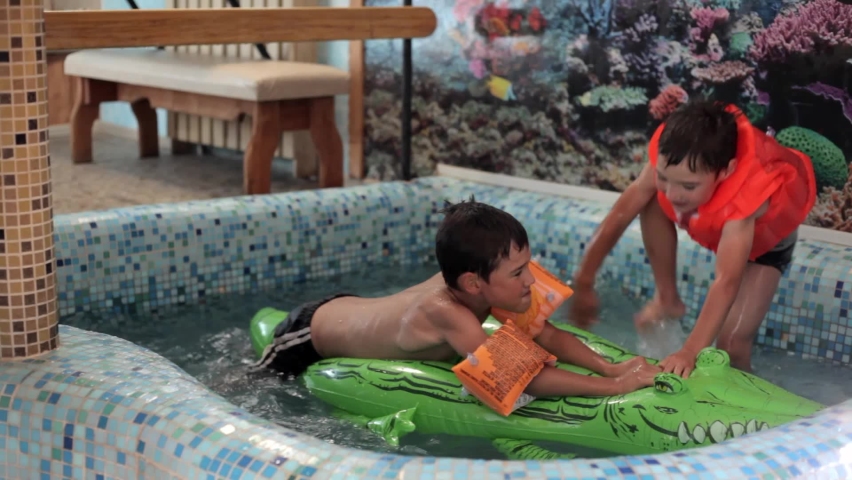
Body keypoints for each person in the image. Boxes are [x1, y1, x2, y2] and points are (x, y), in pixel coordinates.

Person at [254, 196, 661, 398]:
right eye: (519, 273)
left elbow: (547, 336)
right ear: (473, 284)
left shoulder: (484, 278)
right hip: (310, 331)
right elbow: (523, 380)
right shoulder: (448, 311)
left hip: (355, 309)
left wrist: (610, 368)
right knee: (252, 384)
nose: (530, 283)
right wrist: (618, 389)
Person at [569, 100, 816, 378]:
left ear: (726, 171)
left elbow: (727, 281)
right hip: (712, 219)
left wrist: (689, 351)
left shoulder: (744, 198)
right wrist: (584, 280)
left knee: (731, 344)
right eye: (665, 178)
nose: (673, 194)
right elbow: (622, 212)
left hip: (765, 246)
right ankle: (667, 298)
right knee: (649, 197)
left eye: (688, 186)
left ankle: (746, 398)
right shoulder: (676, 155)